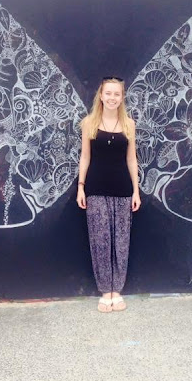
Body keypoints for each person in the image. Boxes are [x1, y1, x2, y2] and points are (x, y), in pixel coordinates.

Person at [76, 76, 141, 313]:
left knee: (121, 242)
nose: (112, 98)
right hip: (95, 189)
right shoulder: (89, 123)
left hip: (123, 189)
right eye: (108, 93)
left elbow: (131, 159)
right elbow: (85, 157)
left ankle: (117, 291)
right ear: (101, 96)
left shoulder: (129, 124)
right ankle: (106, 291)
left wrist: (136, 191)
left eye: (117, 94)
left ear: (122, 97)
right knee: (100, 241)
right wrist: (81, 186)